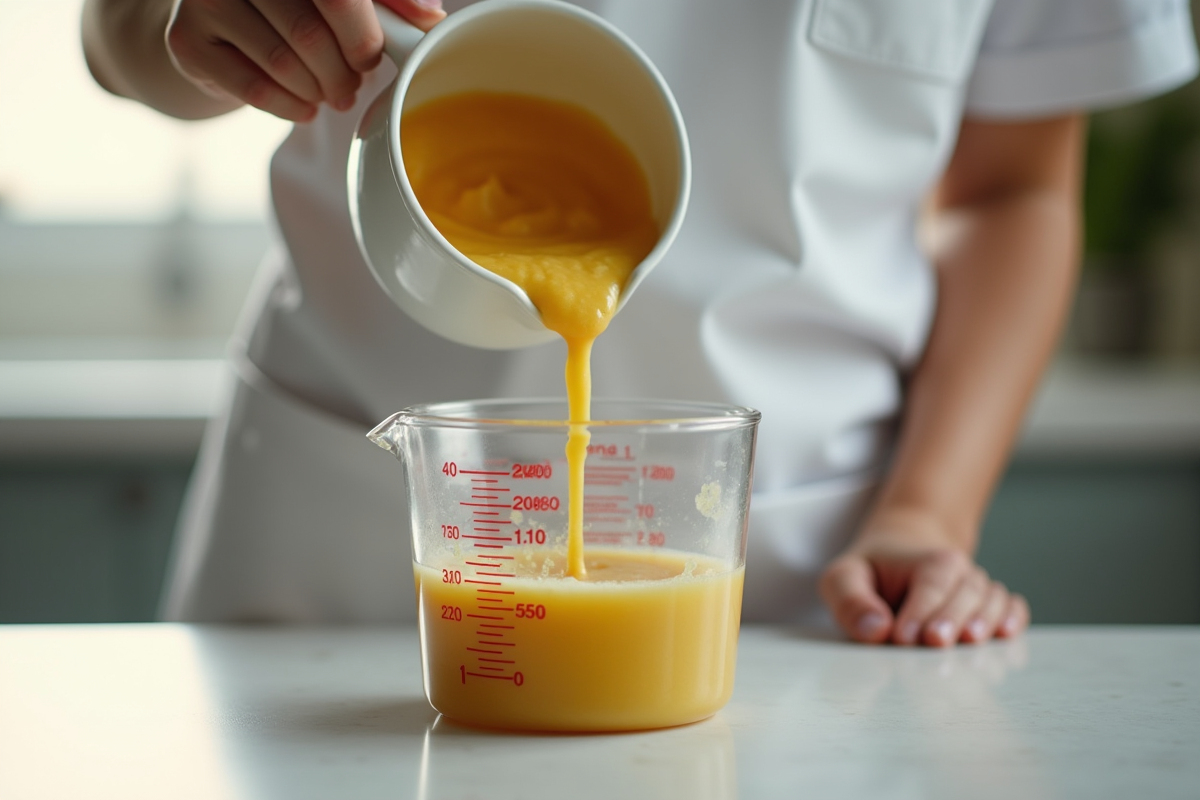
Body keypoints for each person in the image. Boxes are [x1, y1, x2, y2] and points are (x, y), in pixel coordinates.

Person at [83, 0, 1197, 644]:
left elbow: (1015, 191)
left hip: (795, 569)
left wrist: (929, 510)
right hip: (354, 533)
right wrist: (189, 22)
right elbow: (117, 33)